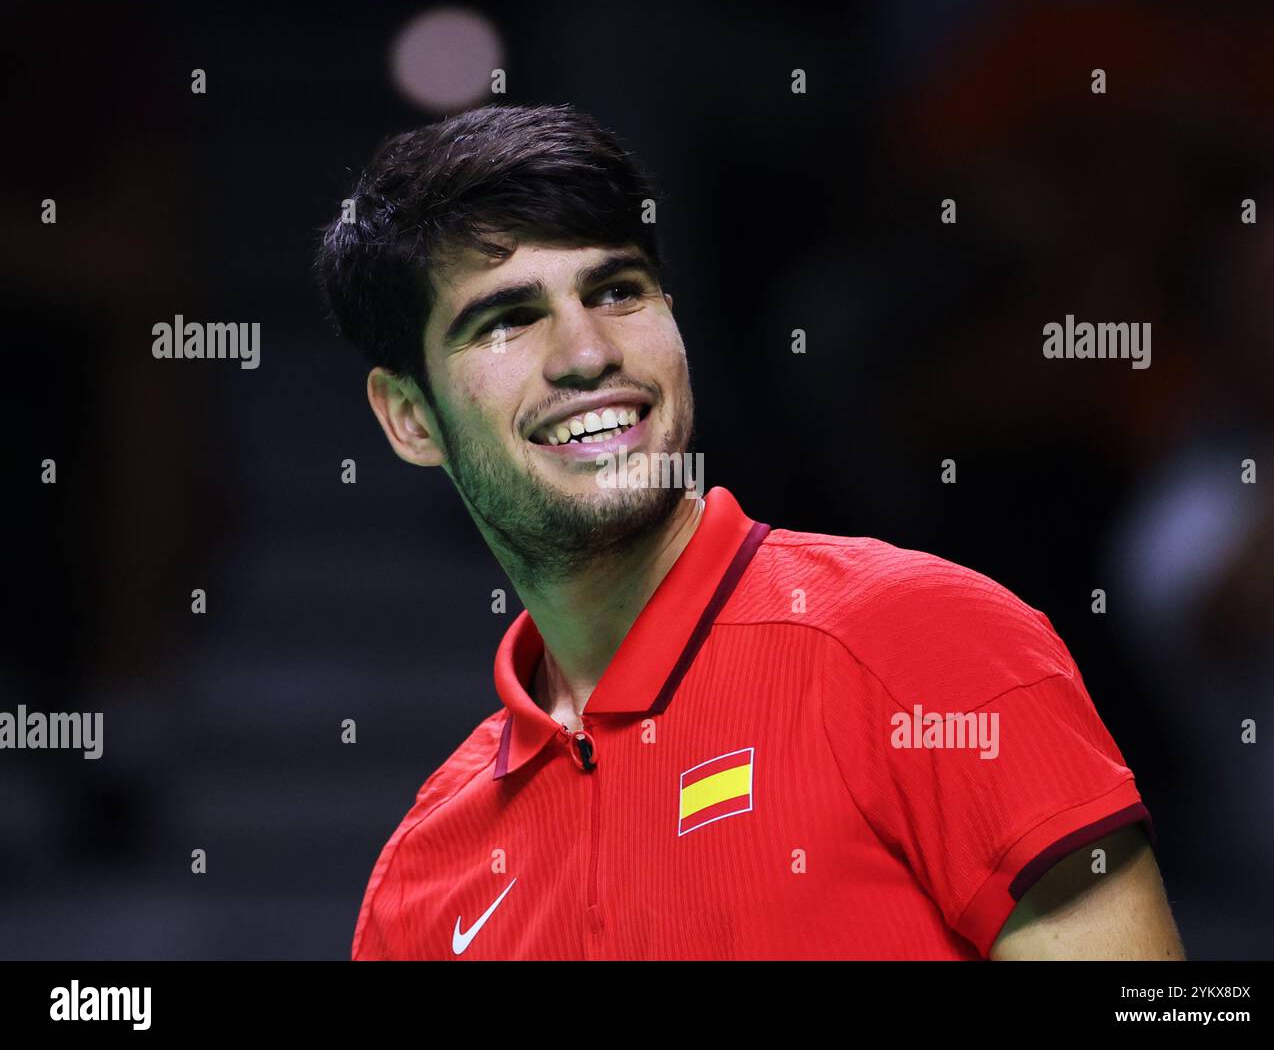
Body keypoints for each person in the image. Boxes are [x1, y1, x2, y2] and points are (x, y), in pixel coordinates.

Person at [314, 102, 1184, 960]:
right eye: (507, 319)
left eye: (617, 291)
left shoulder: (926, 644)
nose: (586, 353)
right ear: (409, 418)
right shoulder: (423, 882)